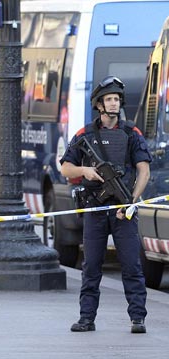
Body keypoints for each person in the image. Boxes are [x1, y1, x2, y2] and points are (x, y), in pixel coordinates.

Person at [60, 76, 151, 334]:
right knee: (91, 266)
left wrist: (131, 201)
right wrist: (85, 171)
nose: (113, 104)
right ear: (99, 105)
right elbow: (65, 168)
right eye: (109, 99)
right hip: (95, 209)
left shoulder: (131, 133)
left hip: (124, 210)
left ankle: (137, 318)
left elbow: (144, 171)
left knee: (132, 265)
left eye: (116, 99)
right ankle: (86, 318)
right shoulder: (85, 134)